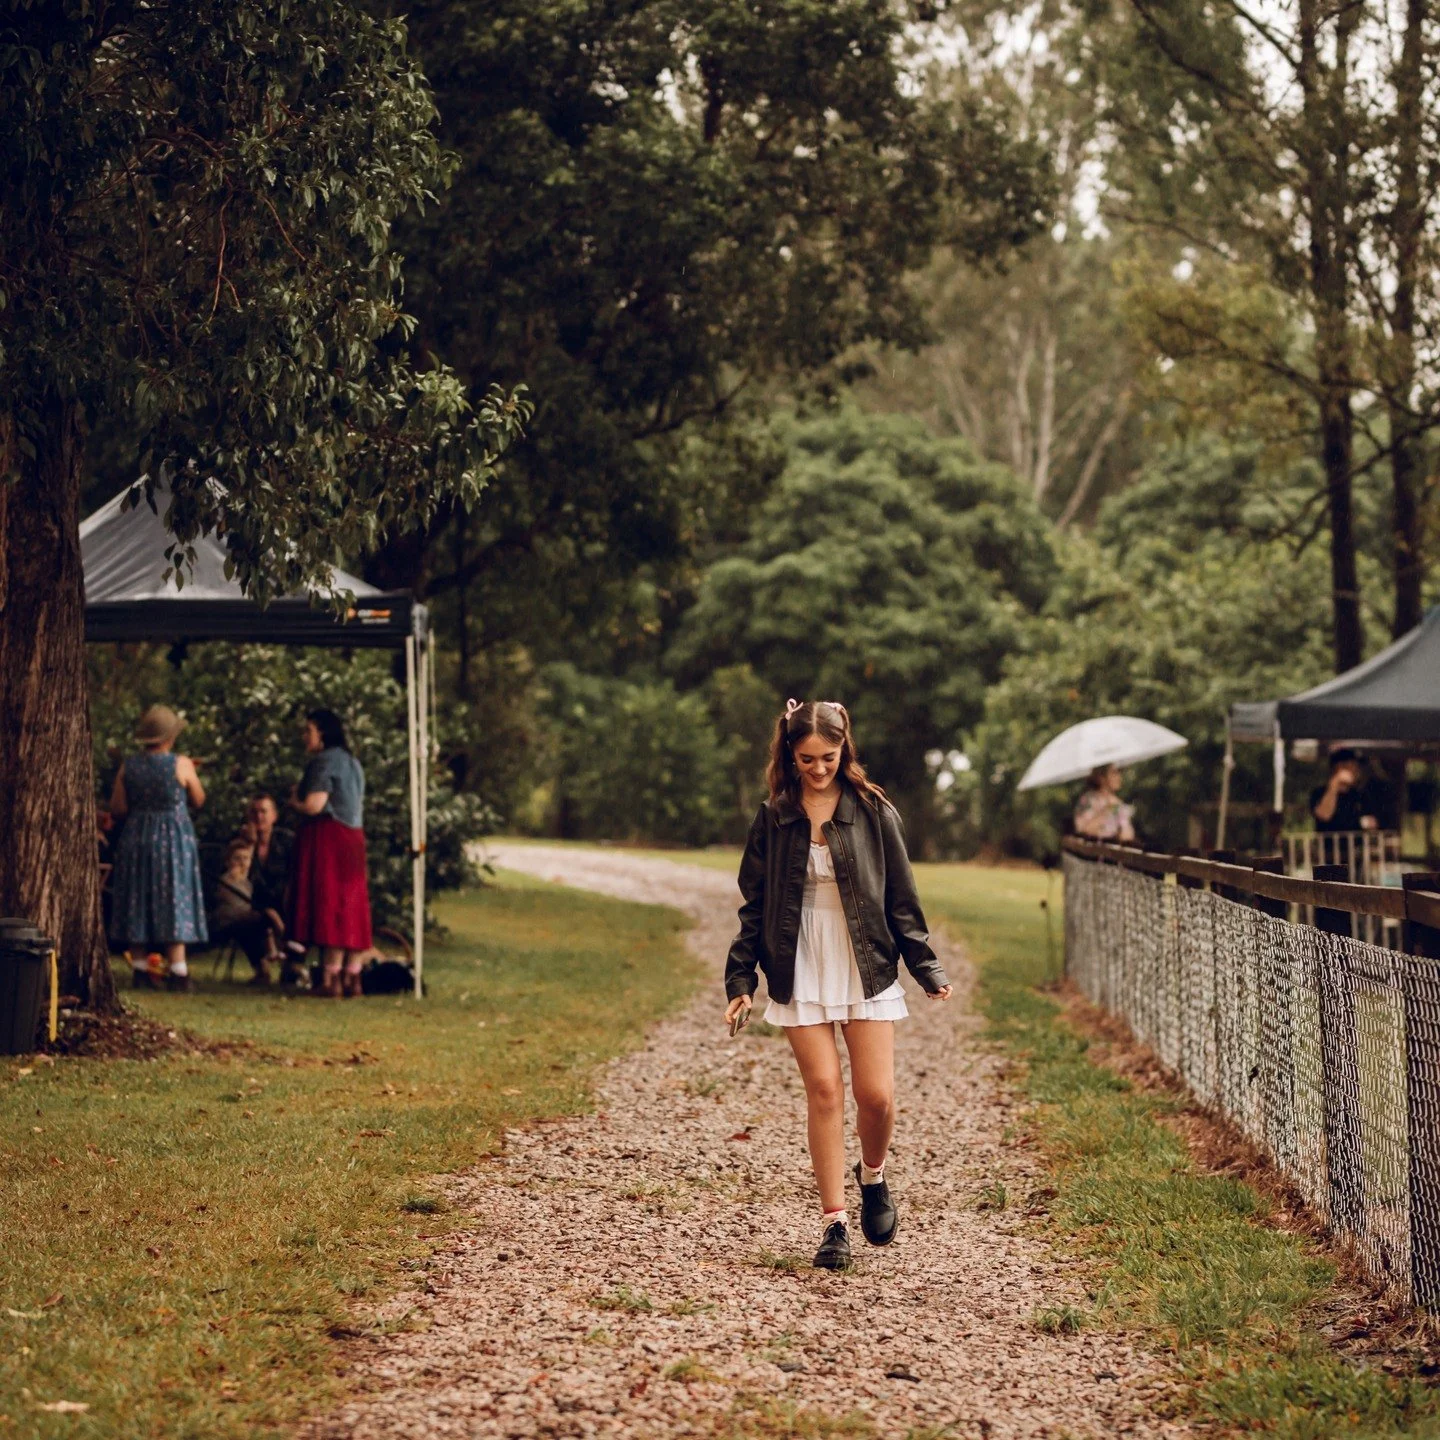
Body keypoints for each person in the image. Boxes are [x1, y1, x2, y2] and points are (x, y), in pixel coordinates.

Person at [723, 699, 952, 1271]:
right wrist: (741, 979)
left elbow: (902, 896)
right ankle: (834, 1223)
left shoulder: (874, 811)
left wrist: (924, 967)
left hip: (865, 958)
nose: (818, 768)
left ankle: (872, 1176)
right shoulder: (774, 815)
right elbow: (755, 906)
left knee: (876, 1096)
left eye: (828, 757)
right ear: (789, 754)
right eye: (806, 759)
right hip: (797, 958)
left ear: (844, 749)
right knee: (824, 1090)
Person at [108, 704, 207, 990]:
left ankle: (140, 968)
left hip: (137, 836)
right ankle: (178, 971)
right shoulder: (181, 763)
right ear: (169, 736)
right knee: (174, 896)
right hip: (173, 837)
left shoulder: (130, 765)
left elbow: (117, 808)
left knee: (137, 896)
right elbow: (199, 799)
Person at [287, 708, 372, 998]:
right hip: (354, 837)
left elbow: (314, 804)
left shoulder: (324, 762)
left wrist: (294, 801)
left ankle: (330, 979)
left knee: (329, 904)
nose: (304, 737)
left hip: (329, 837)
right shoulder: (353, 763)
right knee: (352, 905)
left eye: (308, 730)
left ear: (322, 733)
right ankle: (353, 977)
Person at [211, 835, 285, 984]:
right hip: (226, 922)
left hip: (246, 922)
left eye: (246, 858)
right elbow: (228, 899)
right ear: (228, 861)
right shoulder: (226, 880)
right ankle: (281, 942)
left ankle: (268, 965)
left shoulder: (250, 882)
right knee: (265, 917)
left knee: (259, 922)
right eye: (237, 858)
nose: (241, 862)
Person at [1310, 748, 1377, 834]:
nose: (1357, 769)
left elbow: (1372, 823)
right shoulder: (1319, 792)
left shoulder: (1360, 794)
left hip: (1355, 846)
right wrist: (1334, 784)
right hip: (1330, 846)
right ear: (1339, 767)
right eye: (1352, 765)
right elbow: (1324, 815)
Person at [1073, 764, 1136, 842]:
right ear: (1101, 778)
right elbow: (1083, 831)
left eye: (1119, 773)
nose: (1119, 777)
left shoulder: (1117, 803)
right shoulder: (1088, 800)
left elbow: (1127, 836)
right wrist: (1107, 810)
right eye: (1114, 773)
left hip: (1111, 850)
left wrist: (1123, 825)